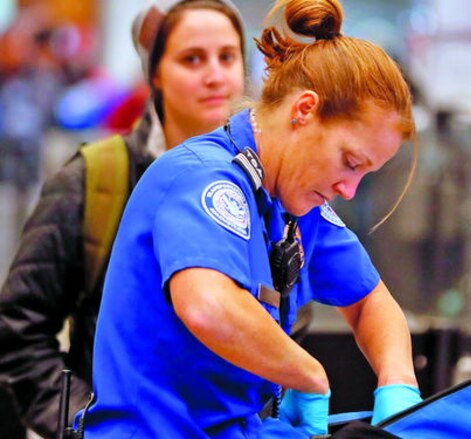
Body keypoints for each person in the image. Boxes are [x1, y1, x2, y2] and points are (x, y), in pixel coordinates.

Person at [78, 0, 422, 437]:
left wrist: (399, 390)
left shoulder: (296, 203)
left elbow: (371, 301)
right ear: (304, 111)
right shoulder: (202, 178)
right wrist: (307, 374)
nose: (349, 190)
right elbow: (208, 305)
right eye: (350, 162)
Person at [0, 1, 246, 437]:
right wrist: (89, 422)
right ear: (155, 74)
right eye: (192, 58)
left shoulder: (267, 186)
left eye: (227, 57)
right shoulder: (96, 178)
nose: (214, 75)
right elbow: (19, 331)